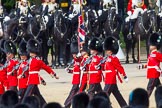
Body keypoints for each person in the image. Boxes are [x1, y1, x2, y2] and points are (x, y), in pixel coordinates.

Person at [21, 39, 59, 107]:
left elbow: (46, 68)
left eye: (30, 51)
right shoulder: (30, 60)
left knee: (27, 96)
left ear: (33, 51)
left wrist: (54, 74)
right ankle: (45, 105)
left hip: (33, 80)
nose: (29, 52)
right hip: (31, 79)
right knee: (38, 96)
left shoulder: (38, 60)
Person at [102, 36, 128, 107]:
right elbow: (105, 68)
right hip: (108, 79)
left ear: (111, 50)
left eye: (107, 50)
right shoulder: (107, 58)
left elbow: (119, 67)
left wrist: (124, 75)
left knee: (104, 95)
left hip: (111, 79)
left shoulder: (114, 58)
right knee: (117, 95)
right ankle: (124, 106)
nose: (106, 51)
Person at [138, 33, 162, 97]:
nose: (150, 46)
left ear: (155, 46)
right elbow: (149, 64)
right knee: (160, 89)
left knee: (149, 90)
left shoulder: (157, 54)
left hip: (153, 75)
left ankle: (143, 103)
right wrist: (142, 66)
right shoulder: (150, 54)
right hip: (152, 74)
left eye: (151, 45)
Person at [64, 39, 82, 108]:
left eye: (75, 53)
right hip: (75, 80)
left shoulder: (79, 59)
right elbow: (75, 71)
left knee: (73, 93)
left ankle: (67, 104)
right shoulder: (75, 60)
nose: (73, 55)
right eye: (73, 54)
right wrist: (69, 71)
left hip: (79, 80)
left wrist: (78, 57)